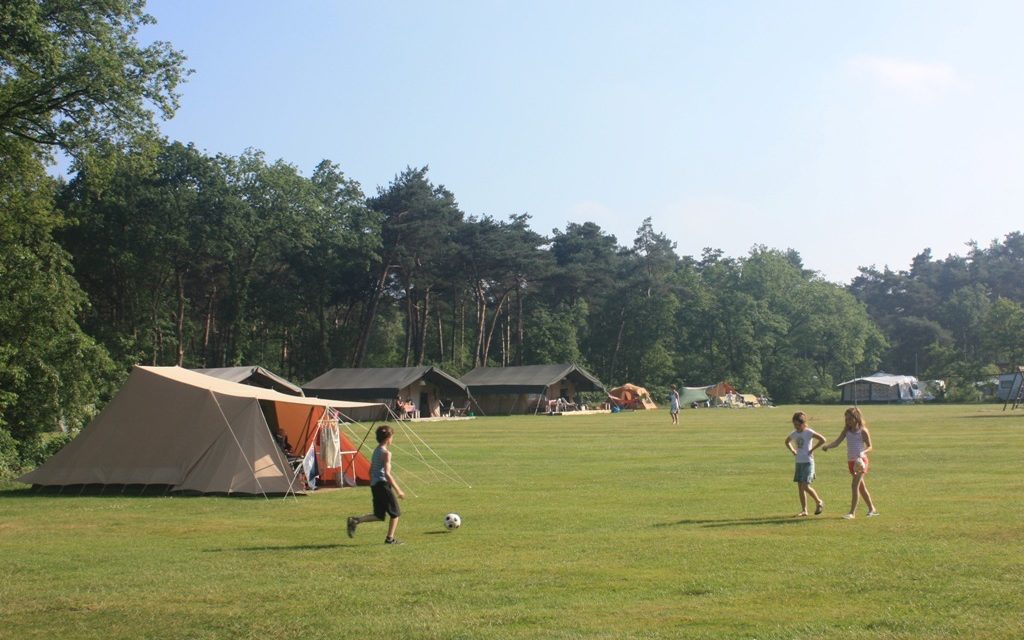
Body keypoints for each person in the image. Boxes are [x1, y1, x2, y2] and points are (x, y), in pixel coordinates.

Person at [347, 425, 406, 544]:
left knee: (379, 515)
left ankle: (355, 520)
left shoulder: (376, 450)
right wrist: (398, 490)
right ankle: (390, 539)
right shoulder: (386, 453)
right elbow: (388, 474)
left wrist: (373, 482)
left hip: (375, 485)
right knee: (395, 513)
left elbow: (370, 470)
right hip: (383, 485)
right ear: (388, 438)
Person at [823, 406, 878, 519]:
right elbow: (837, 442)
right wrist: (828, 446)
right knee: (861, 487)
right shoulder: (846, 431)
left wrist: (863, 452)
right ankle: (872, 509)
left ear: (856, 418)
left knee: (854, 485)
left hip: (860, 462)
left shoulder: (863, 431)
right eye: (846, 419)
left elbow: (870, 446)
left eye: (849, 419)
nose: (847, 421)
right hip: (851, 462)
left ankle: (852, 513)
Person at [784, 412, 826, 517]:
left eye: (798, 425)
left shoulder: (808, 432)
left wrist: (812, 449)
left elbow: (822, 440)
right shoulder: (794, 433)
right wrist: (793, 451)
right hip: (799, 462)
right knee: (800, 487)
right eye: (795, 425)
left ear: (803, 423)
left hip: (808, 462)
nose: (796, 427)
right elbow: (787, 441)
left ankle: (819, 501)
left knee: (805, 486)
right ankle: (804, 510)